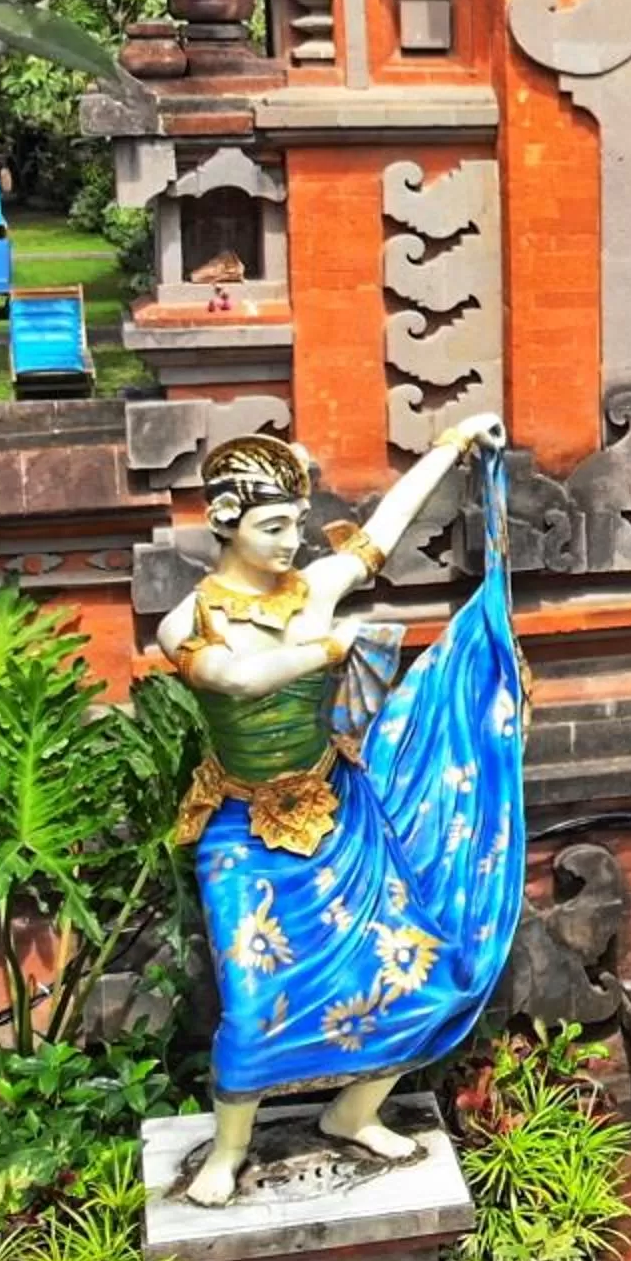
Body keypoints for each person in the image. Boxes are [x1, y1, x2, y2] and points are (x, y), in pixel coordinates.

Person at [154, 414, 519, 1205]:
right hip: (243, 827)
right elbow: (239, 681)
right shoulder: (188, 622)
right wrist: (332, 646)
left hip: (343, 812)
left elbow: (387, 525)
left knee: (410, 972)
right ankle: (228, 1148)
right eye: (272, 527)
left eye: (297, 525)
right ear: (224, 523)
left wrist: (452, 445)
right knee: (250, 1000)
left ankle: (352, 1114)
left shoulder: (315, 587)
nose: (293, 543)